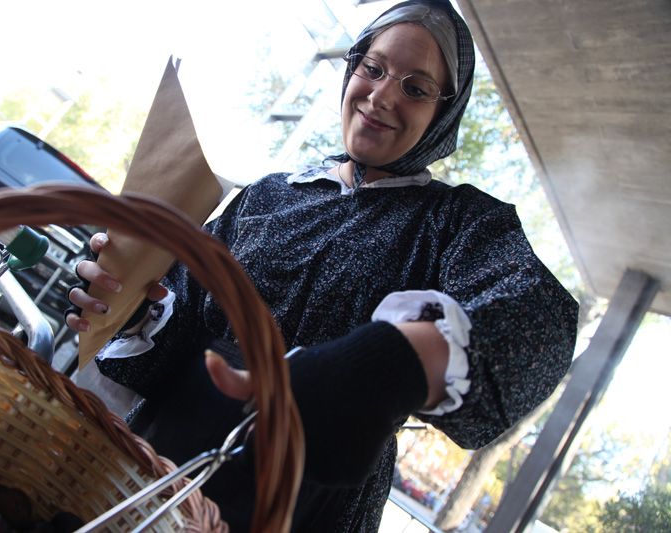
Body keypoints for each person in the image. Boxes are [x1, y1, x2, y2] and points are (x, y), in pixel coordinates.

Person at [65, 1, 579, 530]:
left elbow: (539, 321)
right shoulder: (269, 196)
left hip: (310, 502)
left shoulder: (456, 224)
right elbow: (176, 341)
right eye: (373, 68)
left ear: (442, 114)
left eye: (416, 87)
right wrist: (129, 308)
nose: (381, 96)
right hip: (164, 462)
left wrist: (391, 362)